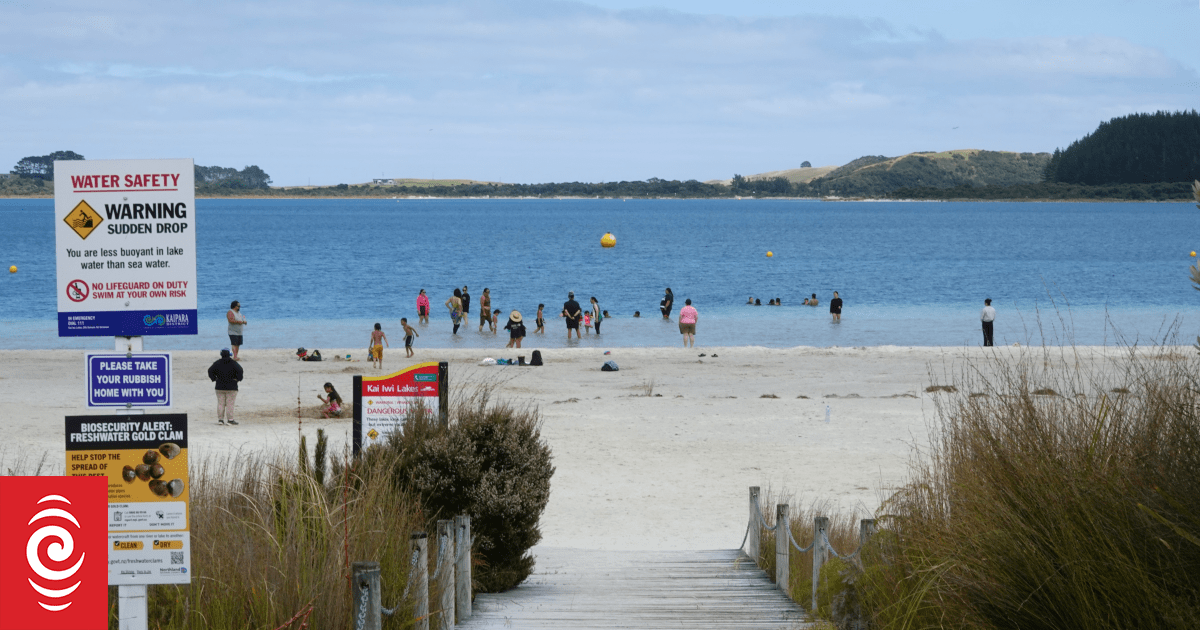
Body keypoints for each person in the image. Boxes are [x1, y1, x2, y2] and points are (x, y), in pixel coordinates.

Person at [207, 348, 243, 425]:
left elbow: (210, 370)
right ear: (230, 354)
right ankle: (230, 420)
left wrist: (214, 379)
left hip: (219, 386)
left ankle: (220, 420)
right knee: (230, 403)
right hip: (232, 387)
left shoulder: (217, 363)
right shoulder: (233, 363)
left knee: (220, 403)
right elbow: (240, 370)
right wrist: (238, 379)